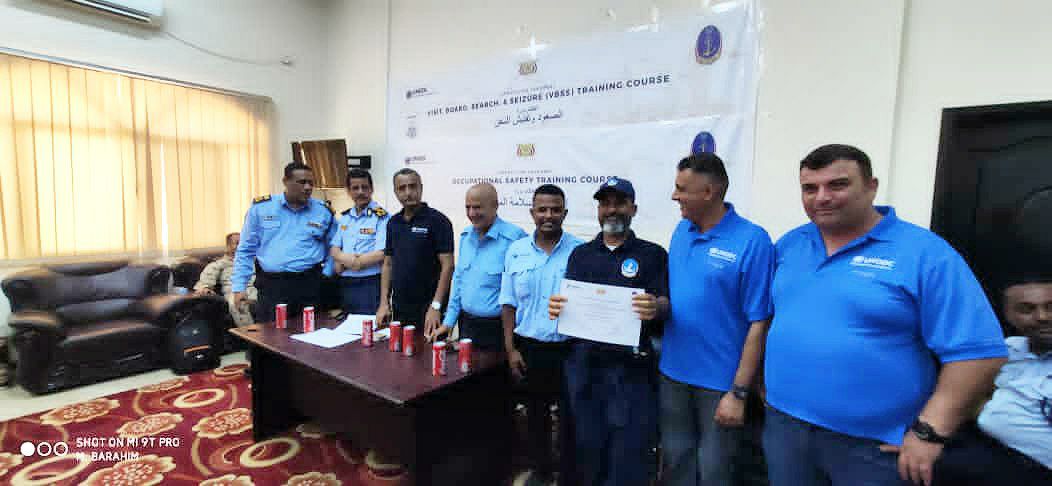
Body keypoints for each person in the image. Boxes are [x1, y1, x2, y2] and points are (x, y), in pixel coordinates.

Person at [763, 144, 1008, 486]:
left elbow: (978, 354)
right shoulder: (791, 244)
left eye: (837, 185)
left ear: (871, 186)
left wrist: (930, 432)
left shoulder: (925, 253)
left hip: (874, 446)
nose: (822, 197)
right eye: (810, 188)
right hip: (785, 428)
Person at [660, 153, 775, 486]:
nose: (674, 196)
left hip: (720, 383)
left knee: (716, 471)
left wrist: (738, 392)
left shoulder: (753, 241)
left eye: (682, 188)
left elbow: (759, 322)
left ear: (709, 192)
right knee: (677, 463)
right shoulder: (682, 230)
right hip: (673, 375)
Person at [549, 177, 669, 486]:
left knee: (627, 453)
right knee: (586, 448)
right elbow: (571, 307)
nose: (611, 210)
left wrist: (655, 307)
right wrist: (559, 308)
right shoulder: (581, 255)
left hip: (630, 371)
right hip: (585, 368)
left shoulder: (653, 255)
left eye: (619, 203)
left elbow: (666, 304)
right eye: (605, 203)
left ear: (634, 209)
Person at [501, 184, 583, 484]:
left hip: (568, 349)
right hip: (529, 347)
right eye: (542, 209)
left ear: (565, 213)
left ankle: (568, 475)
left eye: (555, 210)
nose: (549, 215)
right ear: (532, 212)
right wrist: (511, 349)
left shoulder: (580, 252)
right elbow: (508, 303)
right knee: (535, 414)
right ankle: (541, 472)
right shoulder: (516, 251)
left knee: (570, 417)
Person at [934, 276, 1052, 485]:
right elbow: (964, 393)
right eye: (1026, 309)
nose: (1042, 317)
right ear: (1009, 315)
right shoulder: (1005, 350)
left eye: (1051, 307)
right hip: (993, 451)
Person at [232, 162, 335, 324]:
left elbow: (334, 247)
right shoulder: (261, 208)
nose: (308, 187)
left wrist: (326, 275)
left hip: (310, 284)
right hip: (273, 286)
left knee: (310, 334)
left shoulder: (323, 211)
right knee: (272, 334)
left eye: (311, 183)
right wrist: (239, 287)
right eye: (302, 182)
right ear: (286, 181)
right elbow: (245, 250)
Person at [438, 183, 526, 351]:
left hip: (499, 330)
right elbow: (459, 281)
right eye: (468, 207)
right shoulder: (466, 237)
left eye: (477, 207)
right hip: (467, 325)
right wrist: (449, 322)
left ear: (495, 206)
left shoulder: (515, 239)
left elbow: (523, 290)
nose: (472, 213)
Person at [375, 168, 454, 340]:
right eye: (402, 188)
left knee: (431, 353)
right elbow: (388, 264)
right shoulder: (393, 223)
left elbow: (448, 266)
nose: (408, 192)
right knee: (400, 352)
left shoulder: (438, 221)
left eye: (412, 186)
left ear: (421, 187)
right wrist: (383, 303)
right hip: (400, 308)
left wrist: (436, 306)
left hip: (430, 309)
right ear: (395, 192)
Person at [330, 169, 390, 315]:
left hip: (370, 282)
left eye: (365, 187)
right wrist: (349, 260)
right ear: (348, 191)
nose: (360, 192)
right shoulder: (345, 218)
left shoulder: (381, 217)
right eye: (355, 188)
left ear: (371, 189)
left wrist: (355, 263)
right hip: (346, 283)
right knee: (347, 323)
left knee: (368, 324)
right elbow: (334, 249)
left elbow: (382, 253)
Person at [194, 232, 258, 327]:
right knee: (237, 302)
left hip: (256, 290)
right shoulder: (219, 264)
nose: (242, 246)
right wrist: (205, 288)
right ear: (228, 246)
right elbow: (205, 282)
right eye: (237, 243)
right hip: (235, 291)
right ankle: (249, 333)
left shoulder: (254, 260)